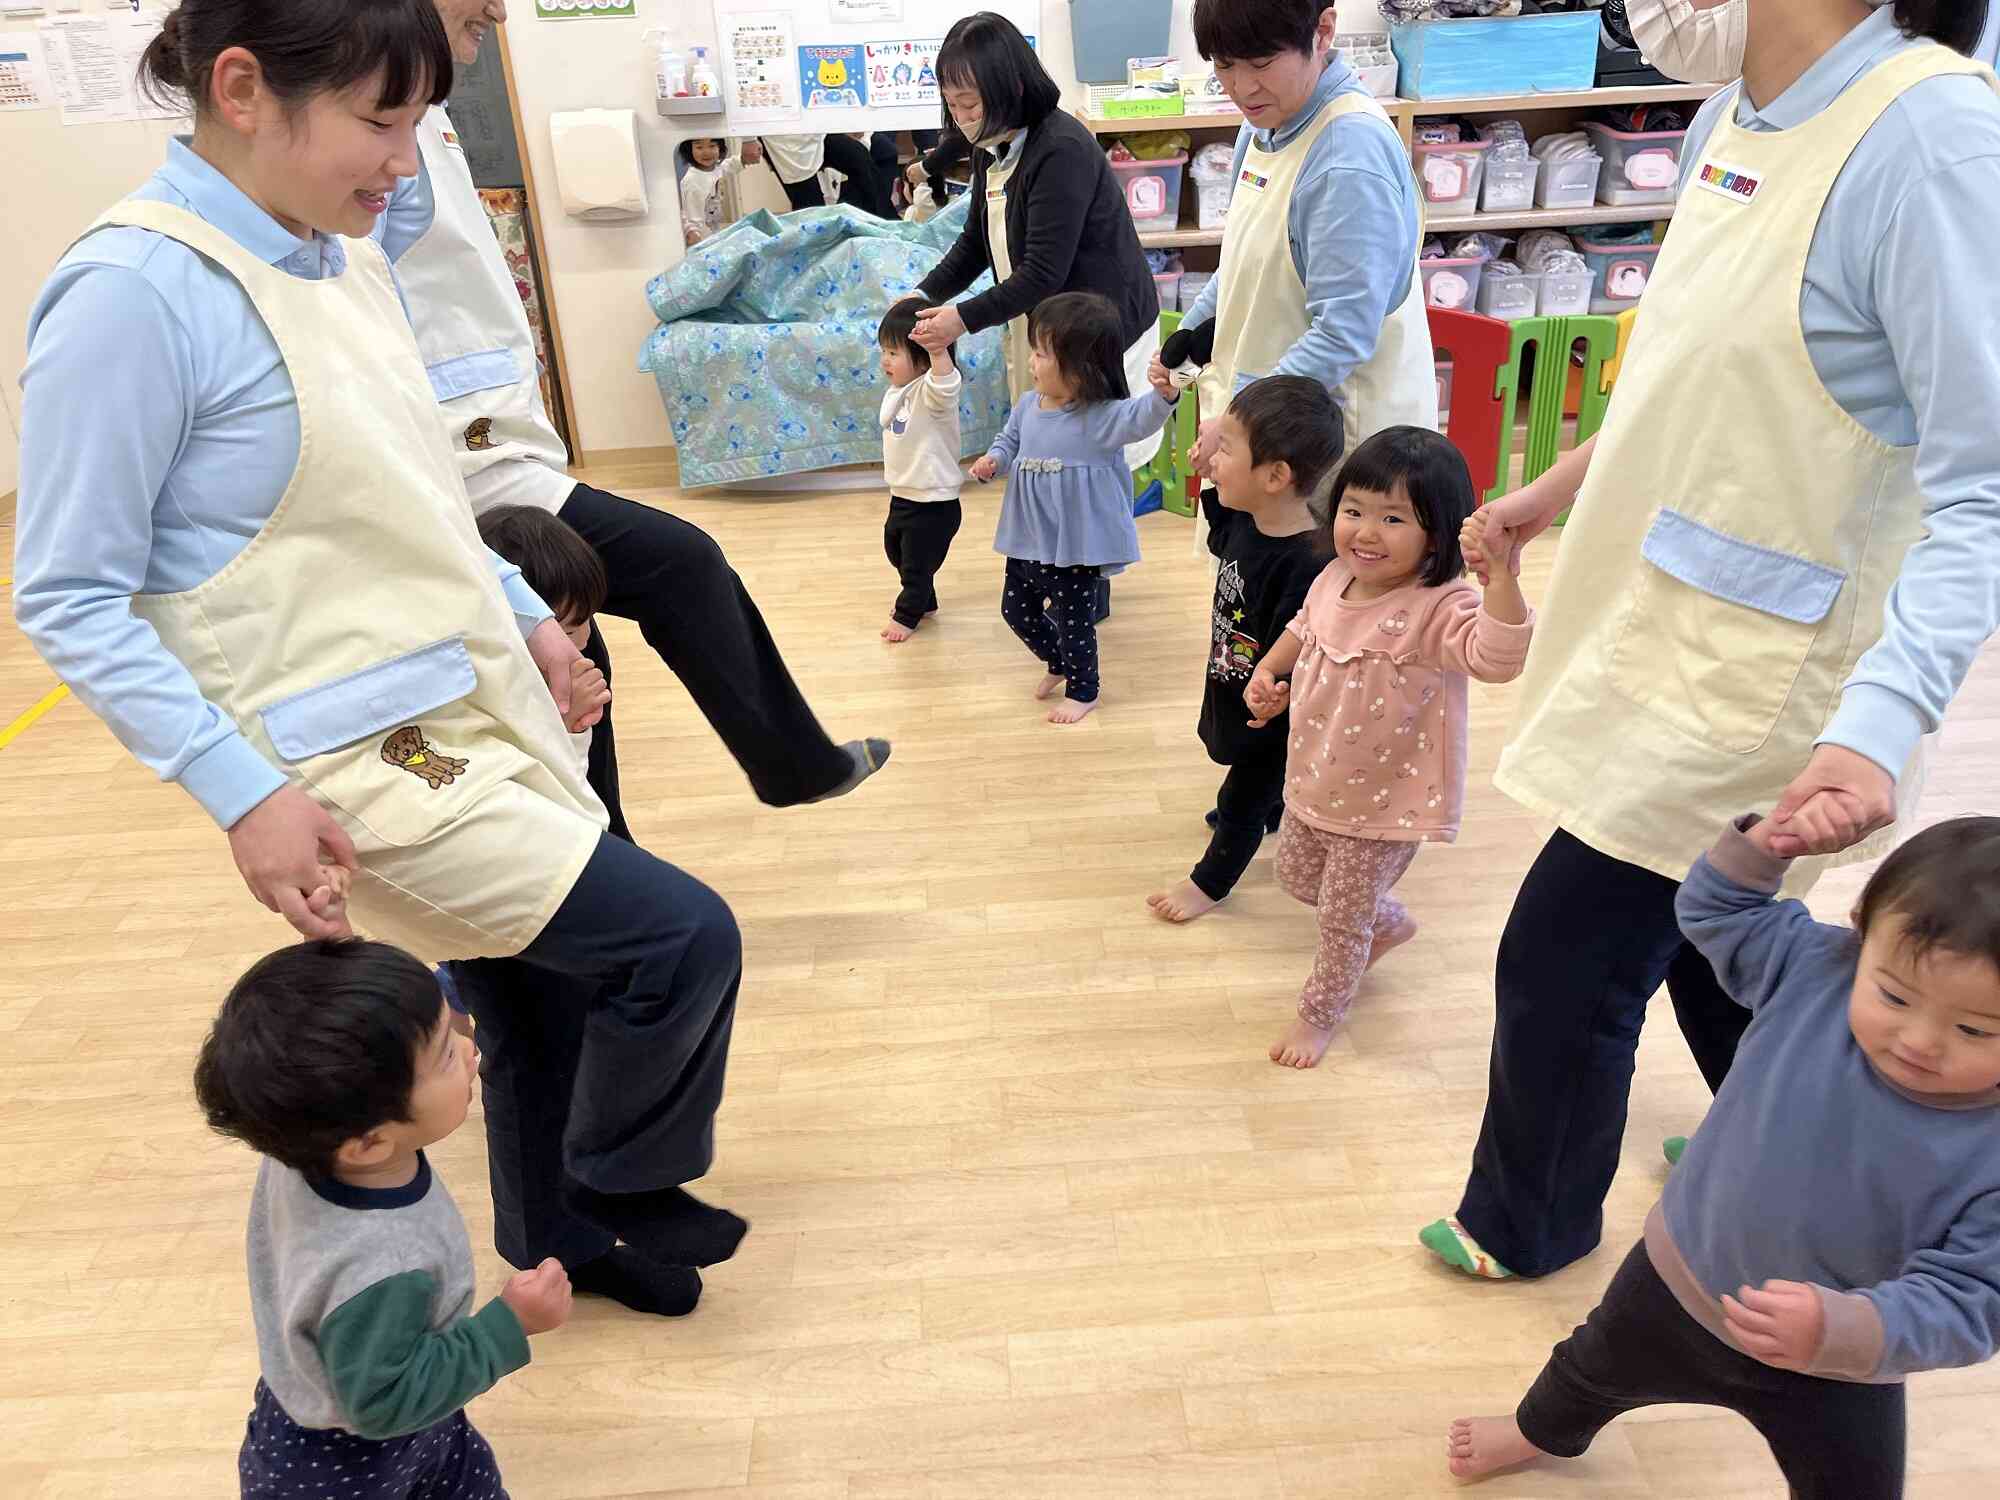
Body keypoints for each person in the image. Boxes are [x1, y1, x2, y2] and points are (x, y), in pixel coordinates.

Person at [12, 0, 746, 1288]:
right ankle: (611, 1177)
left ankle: (557, 1239)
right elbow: (69, 595)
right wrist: (242, 795)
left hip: (450, 695)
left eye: (419, 119)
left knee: (532, 997)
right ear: (240, 88)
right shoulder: (132, 297)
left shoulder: (333, 252)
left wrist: (528, 621)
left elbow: (419, 488)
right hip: (340, 762)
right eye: (379, 119)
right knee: (676, 938)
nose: (407, 159)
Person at [1422, 0, 2000, 1284]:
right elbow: (1680, 378)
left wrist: (1879, 723)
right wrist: (1551, 489)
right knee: (1710, 945)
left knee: (1566, 954)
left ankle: (1532, 1225)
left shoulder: (1932, 137)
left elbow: (1982, 488)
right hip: (1665, 626)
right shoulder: (1735, 113)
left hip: (1765, 678)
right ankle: (1801, 1155)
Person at [388, 1, 890, 813]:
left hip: (494, 450)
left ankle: (656, 836)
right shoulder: (367, 141)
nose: (502, 11)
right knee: (659, 577)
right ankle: (759, 784)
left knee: (587, 638)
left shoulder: (426, 110)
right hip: (462, 469)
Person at [1447, 814, 2000, 1496]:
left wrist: (1854, 1328)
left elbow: (1976, 1299)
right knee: (1586, 1369)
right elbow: (1714, 911)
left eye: (1975, 1029)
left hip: (1835, 1364)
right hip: (1676, 1276)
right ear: (1861, 930)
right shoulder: (1816, 969)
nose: (1919, 1039)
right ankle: (1536, 1431)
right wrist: (1761, 848)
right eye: (1893, 994)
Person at [195, 939, 574, 1499]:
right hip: (350, 1462)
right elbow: (384, 1403)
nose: (471, 1049)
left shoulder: (303, 1131)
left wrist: (338, 959)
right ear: (369, 1143)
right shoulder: (383, 1266)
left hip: (376, 1401)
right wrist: (509, 1325)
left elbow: (321, 1047)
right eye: (446, 1054)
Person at [1245, 428, 1533, 1069]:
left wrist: (1501, 581)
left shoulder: (1441, 605)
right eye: (1354, 511)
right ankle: (1388, 921)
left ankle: (1319, 1015)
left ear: (1438, 532)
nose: (1365, 533)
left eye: (1393, 518)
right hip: (1314, 776)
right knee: (1294, 877)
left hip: (1383, 805)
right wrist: (1272, 671)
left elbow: (1496, 658)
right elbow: (1303, 627)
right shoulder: (1333, 577)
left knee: (1339, 925)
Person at [1168, 0, 1437, 506]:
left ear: (1323, 32)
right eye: (1225, 66)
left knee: (1312, 580)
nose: (1242, 87)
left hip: (1329, 443)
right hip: (1262, 422)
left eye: (1262, 64)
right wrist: (1188, 334)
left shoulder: (1348, 156)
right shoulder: (1264, 123)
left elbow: (1342, 333)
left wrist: (1237, 426)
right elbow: (1246, 260)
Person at [912, 12, 1161, 477]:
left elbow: (1043, 271)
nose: (963, 121)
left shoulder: (1060, 148)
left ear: (1012, 89)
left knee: (1092, 471)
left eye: (971, 105)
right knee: (1050, 462)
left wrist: (961, 320)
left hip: (1102, 329)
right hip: (1049, 324)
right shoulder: (992, 145)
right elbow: (975, 241)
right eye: (953, 106)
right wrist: (923, 296)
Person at [1146, 376, 1334, 925]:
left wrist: (1277, 695)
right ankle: (1274, 805)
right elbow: (1220, 533)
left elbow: (1303, 650)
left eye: (1226, 447)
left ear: (1275, 476)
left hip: (1271, 711)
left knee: (1240, 800)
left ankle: (1211, 883)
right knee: (1248, 774)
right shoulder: (1251, 520)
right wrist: (1210, 465)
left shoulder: (1307, 564)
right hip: (1231, 676)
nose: (1212, 454)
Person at [969, 292, 1176, 725]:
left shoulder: (1101, 417)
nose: (1032, 361)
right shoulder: (1028, 405)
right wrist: (994, 460)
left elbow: (1142, 417)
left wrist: (1165, 395)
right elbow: (1009, 441)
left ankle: (1085, 691)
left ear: (1081, 370)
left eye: (1042, 353)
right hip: (1028, 535)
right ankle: (1059, 663)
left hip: (1075, 545)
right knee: (1015, 609)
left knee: (1075, 621)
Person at [476, 505, 610, 786]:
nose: (585, 639)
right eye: (568, 630)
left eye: (588, 620)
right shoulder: (493, 692)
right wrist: (566, 726)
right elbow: (552, 791)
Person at [876, 296, 965, 643]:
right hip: (904, 493)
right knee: (895, 549)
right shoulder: (900, 390)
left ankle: (907, 614)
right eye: (884, 350)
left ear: (925, 358)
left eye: (894, 353)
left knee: (915, 564)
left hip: (933, 501)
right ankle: (925, 600)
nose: (885, 360)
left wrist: (939, 351)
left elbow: (945, 383)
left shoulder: (933, 392)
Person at [756, 131, 895, 218]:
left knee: (858, 156)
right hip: (781, 136)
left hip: (815, 127)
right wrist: (748, 139)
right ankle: (813, 257)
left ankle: (882, 222)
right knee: (810, 206)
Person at [678, 135, 760, 246]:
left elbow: (729, 165)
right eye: (699, 147)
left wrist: (744, 159)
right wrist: (694, 235)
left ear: (720, 148)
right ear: (689, 150)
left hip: (714, 234)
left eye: (712, 146)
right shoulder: (692, 181)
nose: (706, 152)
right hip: (700, 239)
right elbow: (690, 215)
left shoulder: (716, 169)